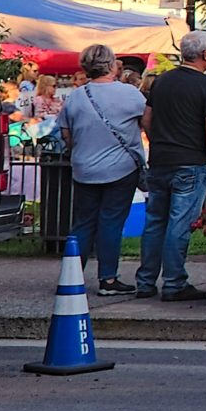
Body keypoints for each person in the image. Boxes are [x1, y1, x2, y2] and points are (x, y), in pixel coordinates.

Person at [138, 32, 206, 302]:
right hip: (191, 160)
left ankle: (146, 281)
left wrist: (159, 143)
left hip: (162, 159)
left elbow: (147, 119)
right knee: (180, 223)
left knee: (155, 221)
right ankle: (174, 282)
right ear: (204, 55)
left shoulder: (162, 81)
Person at [56, 42, 147, 295]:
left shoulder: (76, 96)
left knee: (82, 224)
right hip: (120, 168)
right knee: (111, 222)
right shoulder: (130, 95)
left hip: (84, 168)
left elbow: (66, 133)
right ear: (111, 65)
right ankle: (108, 279)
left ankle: (71, 276)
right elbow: (147, 123)